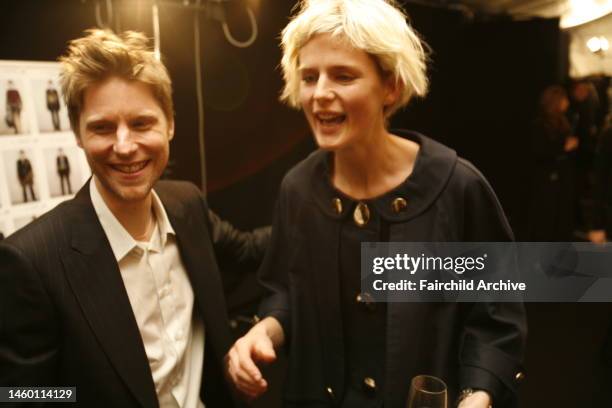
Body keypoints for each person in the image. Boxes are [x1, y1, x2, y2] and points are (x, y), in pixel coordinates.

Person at [226, 1, 526, 407]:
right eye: (309, 77)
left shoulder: (456, 187)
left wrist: (478, 394)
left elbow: (495, 318)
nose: (320, 94)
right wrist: (264, 331)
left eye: (343, 76)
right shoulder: (298, 190)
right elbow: (284, 289)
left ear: (391, 86)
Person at [0, 29, 269, 408]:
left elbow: (249, 251)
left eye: (142, 124)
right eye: (102, 127)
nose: (124, 146)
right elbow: (20, 394)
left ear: (170, 124)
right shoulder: (31, 261)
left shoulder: (186, 204)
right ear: (78, 133)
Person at [528, 85, 579, 241]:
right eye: (564, 99)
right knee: (547, 219)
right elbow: (540, 152)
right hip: (547, 181)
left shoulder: (563, 122)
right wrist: (563, 147)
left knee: (561, 217)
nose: (567, 102)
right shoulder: (540, 125)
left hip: (563, 178)